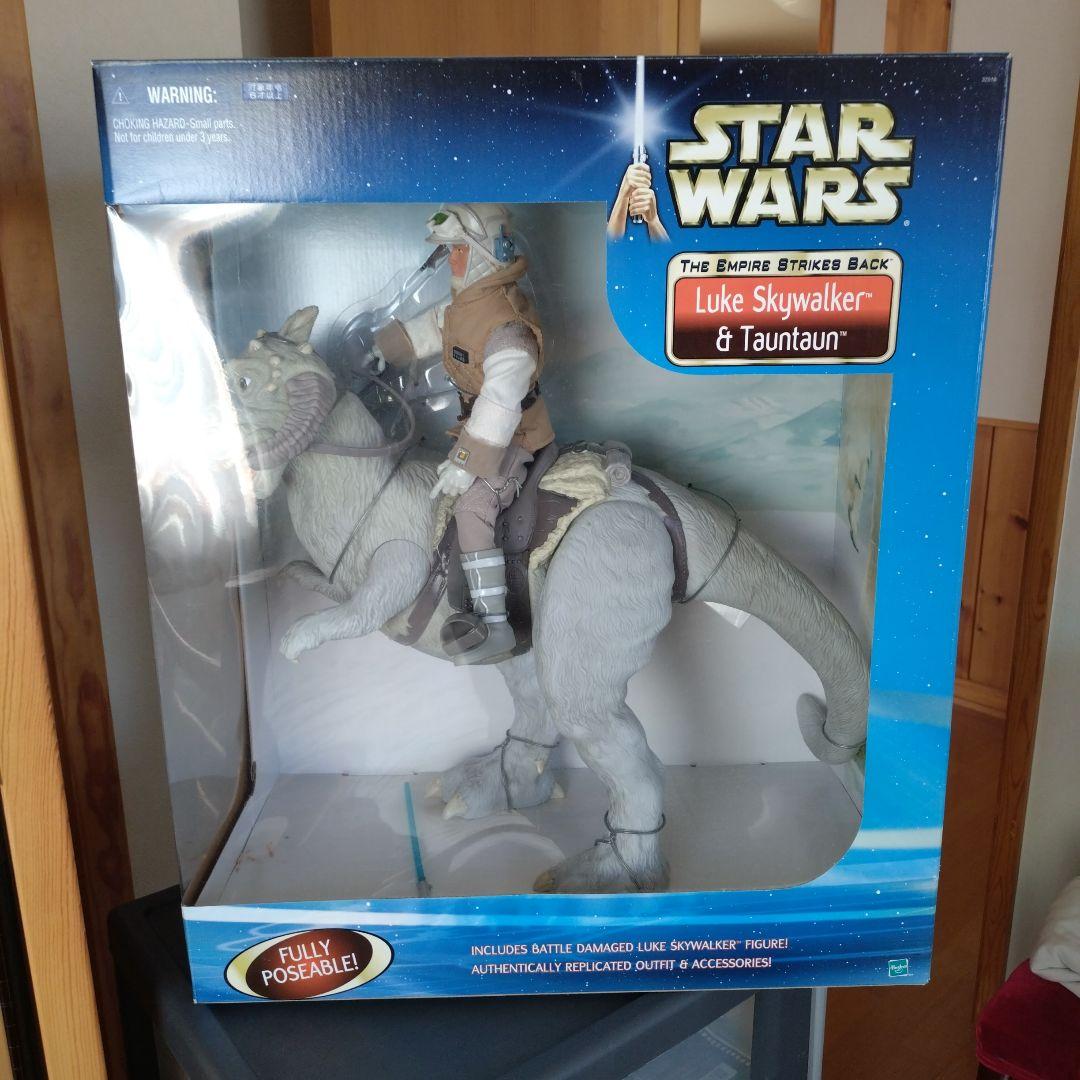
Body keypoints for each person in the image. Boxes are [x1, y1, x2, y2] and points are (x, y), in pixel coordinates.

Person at [372, 204, 553, 665]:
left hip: (515, 437)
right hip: (475, 430)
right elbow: (437, 326)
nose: (450, 260)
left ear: (485, 253)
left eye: (457, 250)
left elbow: (500, 404)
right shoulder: (471, 306)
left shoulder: (507, 328)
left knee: (473, 507)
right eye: (449, 251)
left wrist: (464, 464)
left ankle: (495, 625)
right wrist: (385, 347)